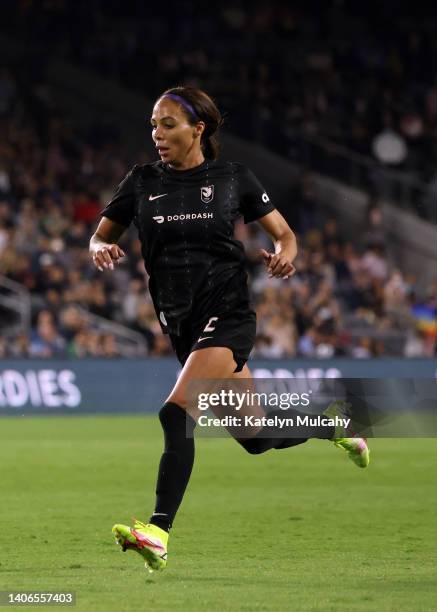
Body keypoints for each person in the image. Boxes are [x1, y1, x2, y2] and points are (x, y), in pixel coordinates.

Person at [89, 86, 370, 573]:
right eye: (154, 124)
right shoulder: (140, 181)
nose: (157, 134)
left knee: (175, 414)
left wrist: (286, 255)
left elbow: (284, 234)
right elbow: (101, 234)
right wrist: (98, 248)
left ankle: (157, 532)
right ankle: (333, 424)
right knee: (256, 436)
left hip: (229, 314)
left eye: (168, 124)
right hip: (180, 323)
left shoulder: (232, 178)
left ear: (199, 129)